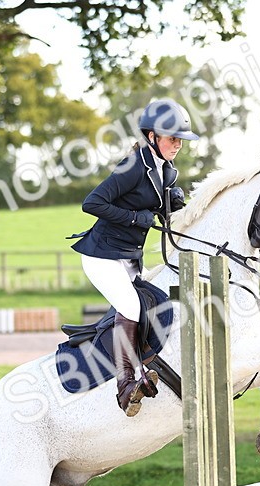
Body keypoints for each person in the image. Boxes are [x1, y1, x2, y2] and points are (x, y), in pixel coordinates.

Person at [69, 98, 199, 416]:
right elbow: (92, 203)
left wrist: (176, 202)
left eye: (181, 139)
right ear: (152, 136)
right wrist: (134, 218)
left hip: (128, 258)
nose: (178, 145)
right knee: (129, 307)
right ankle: (125, 386)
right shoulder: (132, 167)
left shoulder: (166, 171)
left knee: (149, 304)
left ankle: (144, 368)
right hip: (102, 256)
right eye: (172, 138)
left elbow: (162, 211)